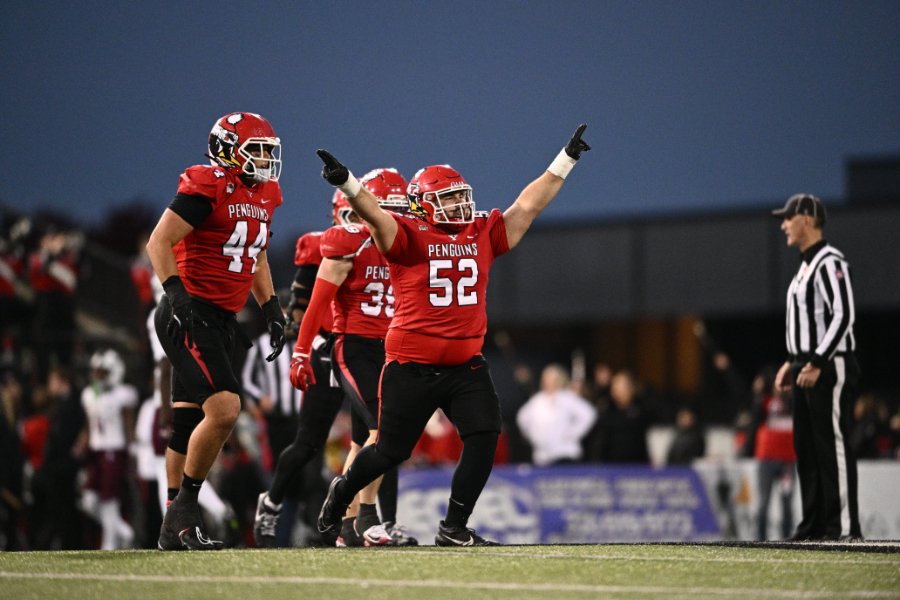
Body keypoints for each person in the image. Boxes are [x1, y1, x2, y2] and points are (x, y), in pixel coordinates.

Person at [314, 123, 591, 546]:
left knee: (484, 436)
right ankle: (342, 492)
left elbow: (527, 206)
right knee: (390, 451)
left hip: (466, 365)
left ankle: (454, 527)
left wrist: (565, 160)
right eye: (450, 198)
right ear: (423, 206)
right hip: (411, 366)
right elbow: (374, 213)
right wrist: (348, 183)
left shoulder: (481, 232)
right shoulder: (406, 235)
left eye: (463, 196)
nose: (461, 204)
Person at [146, 112, 287, 551]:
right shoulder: (209, 185)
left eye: (268, 150)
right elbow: (158, 242)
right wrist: (177, 295)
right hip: (188, 313)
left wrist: (272, 310)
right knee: (225, 408)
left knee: (188, 423)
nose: (265, 160)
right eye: (256, 150)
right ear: (227, 150)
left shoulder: (264, 193)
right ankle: (185, 510)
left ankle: (175, 526)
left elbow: (257, 257)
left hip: (222, 319)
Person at [285, 168, 418, 547]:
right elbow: (316, 306)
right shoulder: (348, 243)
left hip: (392, 350)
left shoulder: (408, 246)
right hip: (355, 346)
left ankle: (345, 526)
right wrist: (299, 352)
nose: (390, 217)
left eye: (397, 208)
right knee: (384, 430)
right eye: (382, 208)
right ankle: (368, 516)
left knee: (364, 442)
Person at [251, 194, 347, 548]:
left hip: (368, 352)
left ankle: (371, 522)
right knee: (308, 444)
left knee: (380, 439)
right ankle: (272, 501)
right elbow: (298, 310)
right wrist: (307, 347)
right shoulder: (320, 246)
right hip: (329, 352)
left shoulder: (387, 244)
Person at [772, 193, 862, 542]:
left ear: (806, 219)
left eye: (788, 218)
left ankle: (842, 528)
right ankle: (813, 525)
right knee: (806, 446)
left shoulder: (829, 261)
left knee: (831, 444)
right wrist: (791, 361)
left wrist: (816, 361)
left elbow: (843, 315)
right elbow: (810, 324)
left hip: (828, 367)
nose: (783, 225)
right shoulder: (806, 266)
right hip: (806, 365)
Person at [78, 348, 138, 550]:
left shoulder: (124, 394)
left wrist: (133, 451)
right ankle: (124, 532)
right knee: (88, 501)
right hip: (96, 451)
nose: (96, 376)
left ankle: (109, 543)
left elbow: (129, 426)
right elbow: (89, 425)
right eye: (95, 371)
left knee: (109, 500)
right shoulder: (89, 394)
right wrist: (80, 445)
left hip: (115, 450)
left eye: (101, 371)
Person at [740, 366, 795, 541]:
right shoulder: (764, 402)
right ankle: (761, 540)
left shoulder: (794, 402)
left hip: (788, 459)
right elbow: (754, 420)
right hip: (767, 457)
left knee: (786, 502)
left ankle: (788, 539)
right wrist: (757, 393)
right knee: (763, 502)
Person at [516, 363, 597, 466]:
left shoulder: (567, 397)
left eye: (551, 379)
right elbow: (522, 418)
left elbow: (589, 414)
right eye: (546, 378)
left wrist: (573, 433)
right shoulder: (538, 400)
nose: (548, 382)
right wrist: (533, 437)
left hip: (565, 453)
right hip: (543, 456)